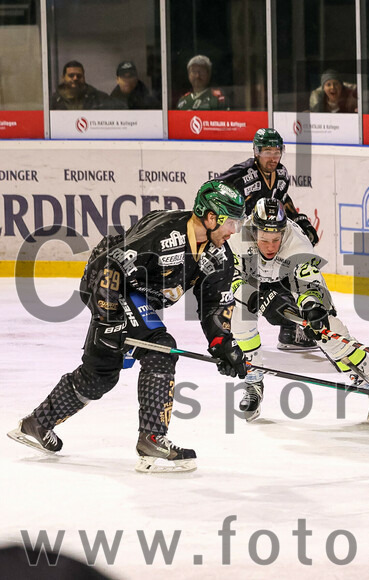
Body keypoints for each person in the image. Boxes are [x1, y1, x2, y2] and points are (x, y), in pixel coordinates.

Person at [7, 181, 247, 473]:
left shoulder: (219, 255)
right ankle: (152, 439)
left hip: (139, 295)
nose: (234, 230)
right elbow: (111, 266)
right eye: (231, 221)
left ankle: (36, 424)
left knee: (100, 375)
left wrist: (222, 343)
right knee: (160, 348)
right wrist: (108, 320)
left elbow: (214, 305)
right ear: (211, 217)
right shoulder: (165, 234)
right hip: (107, 283)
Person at [228, 198, 369, 421]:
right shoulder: (236, 237)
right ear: (254, 229)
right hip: (253, 282)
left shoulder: (297, 242)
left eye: (276, 239)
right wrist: (253, 296)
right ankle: (253, 379)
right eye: (264, 239)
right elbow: (229, 277)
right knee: (239, 317)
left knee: (328, 330)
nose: (270, 246)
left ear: (284, 231)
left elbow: (309, 282)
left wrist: (313, 308)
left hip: (290, 281)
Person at [217, 127, 320, 351]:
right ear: (256, 152)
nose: (272, 157)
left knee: (287, 277)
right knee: (240, 287)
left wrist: (299, 220)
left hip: (267, 242)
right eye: (267, 152)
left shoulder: (281, 175)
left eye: (277, 152)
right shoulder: (241, 175)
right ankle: (230, 333)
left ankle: (290, 331)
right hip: (242, 242)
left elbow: (281, 202)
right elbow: (213, 195)